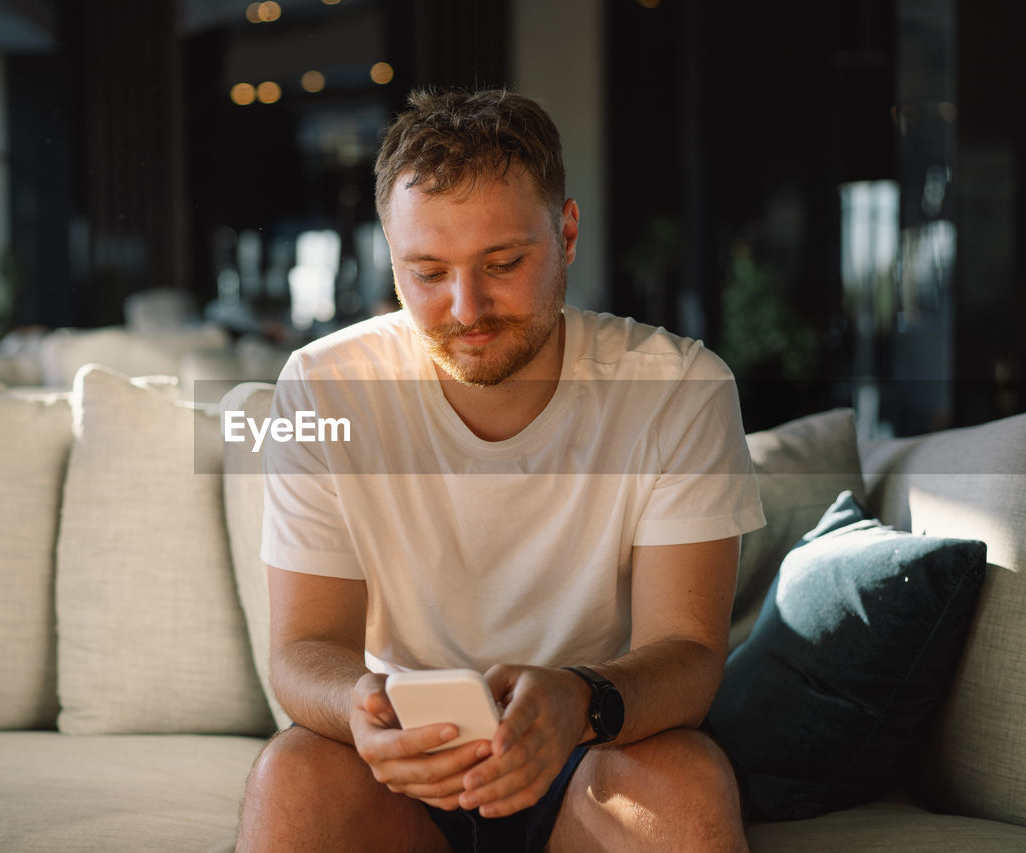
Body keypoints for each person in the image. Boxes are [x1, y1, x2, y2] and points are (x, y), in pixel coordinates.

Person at [237, 88, 766, 853]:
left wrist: (582, 699)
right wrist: (358, 703)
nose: (466, 306)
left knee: (684, 782)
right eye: (426, 272)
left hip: (602, 748)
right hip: (407, 772)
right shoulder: (323, 386)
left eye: (504, 262)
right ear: (392, 261)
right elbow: (301, 648)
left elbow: (688, 653)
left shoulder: (679, 385)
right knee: (292, 775)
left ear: (568, 232)